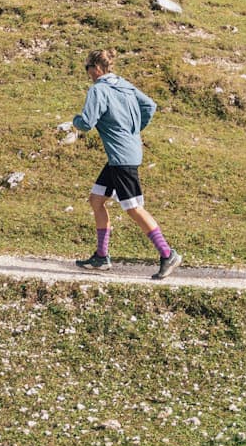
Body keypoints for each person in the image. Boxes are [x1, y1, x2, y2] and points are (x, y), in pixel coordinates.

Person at [71, 48, 181, 279]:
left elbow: (87, 123)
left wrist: (76, 121)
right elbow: (149, 106)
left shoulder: (99, 89)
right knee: (96, 199)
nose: (87, 73)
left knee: (133, 208)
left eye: (87, 69)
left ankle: (167, 253)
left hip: (121, 159)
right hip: (122, 155)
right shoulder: (124, 84)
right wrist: (133, 130)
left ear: (97, 68)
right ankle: (101, 257)